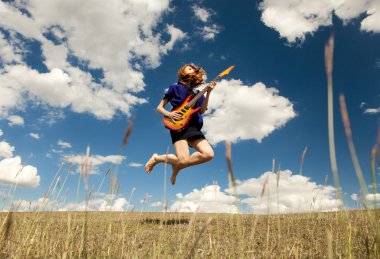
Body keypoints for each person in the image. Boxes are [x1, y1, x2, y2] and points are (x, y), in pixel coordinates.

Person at [145, 64, 216, 185]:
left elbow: (202, 111)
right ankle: (157, 158)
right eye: (189, 69)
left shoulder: (199, 93)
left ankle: (178, 166)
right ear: (182, 72)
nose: (193, 71)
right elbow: (159, 108)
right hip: (178, 124)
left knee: (208, 154)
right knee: (183, 159)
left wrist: (208, 92)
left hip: (193, 126)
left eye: (194, 70)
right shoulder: (175, 88)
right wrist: (170, 114)